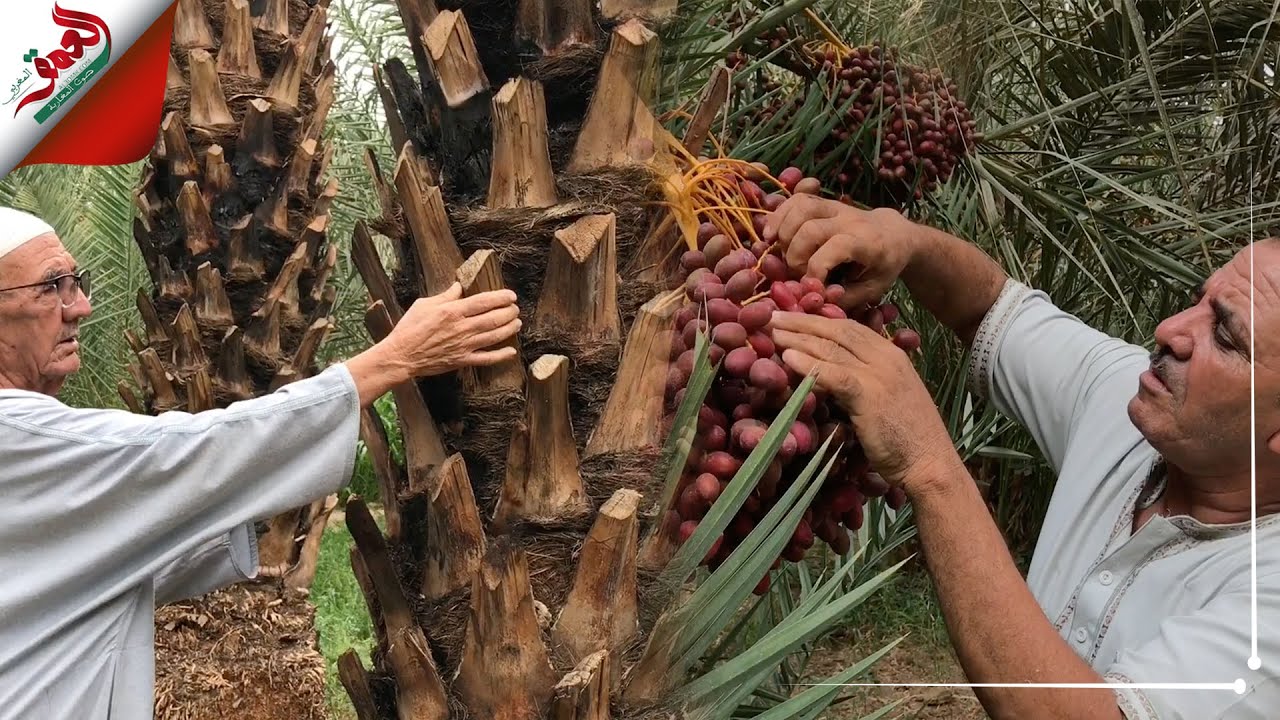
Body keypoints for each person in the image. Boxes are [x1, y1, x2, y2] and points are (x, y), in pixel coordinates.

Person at [761, 195, 1279, 720]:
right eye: (1199, 298)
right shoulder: (1134, 400)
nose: (1171, 330)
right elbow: (990, 308)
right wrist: (906, 241)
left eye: (1225, 335)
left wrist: (929, 466)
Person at [0, 206, 523, 718]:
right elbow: (188, 453)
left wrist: (245, 514)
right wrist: (395, 358)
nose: (80, 307)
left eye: (77, 282)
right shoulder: (19, 437)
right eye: (52, 287)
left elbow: (101, 565)